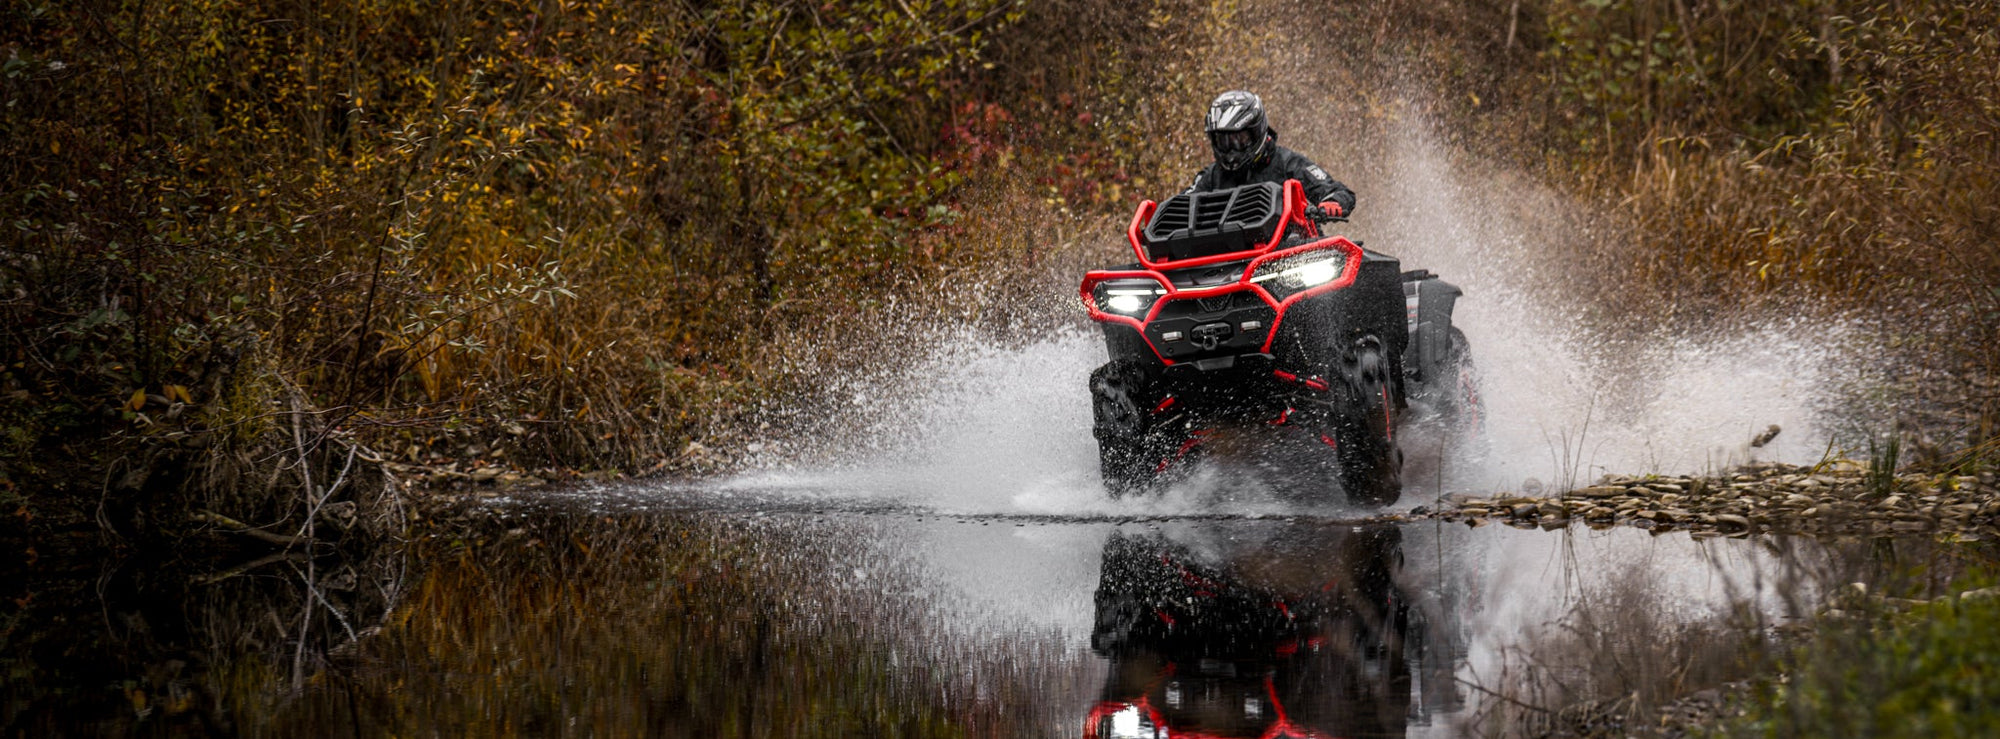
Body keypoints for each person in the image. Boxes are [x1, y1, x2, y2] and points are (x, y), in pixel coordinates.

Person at [1186, 90, 1356, 218]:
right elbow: (1182, 205)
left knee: (1348, 257)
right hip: (1228, 257)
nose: (1232, 149)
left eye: (1240, 139)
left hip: (1294, 253)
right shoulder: (1210, 176)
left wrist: (1332, 202)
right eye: (1223, 141)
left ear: (1258, 131)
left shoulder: (1288, 163)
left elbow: (1336, 190)